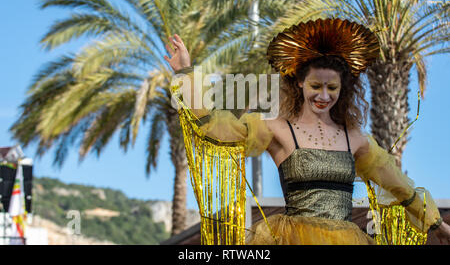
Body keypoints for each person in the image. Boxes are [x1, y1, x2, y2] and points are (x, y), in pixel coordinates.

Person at [164, 18, 450, 245]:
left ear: (343, 89)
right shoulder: (278, 129)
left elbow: (400, 186)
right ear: (299, 83)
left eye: (332, 87)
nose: (324, 95)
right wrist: (185, 73)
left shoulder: (356, 139)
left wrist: (438, 225)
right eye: (316, 86)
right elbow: (216, 129)